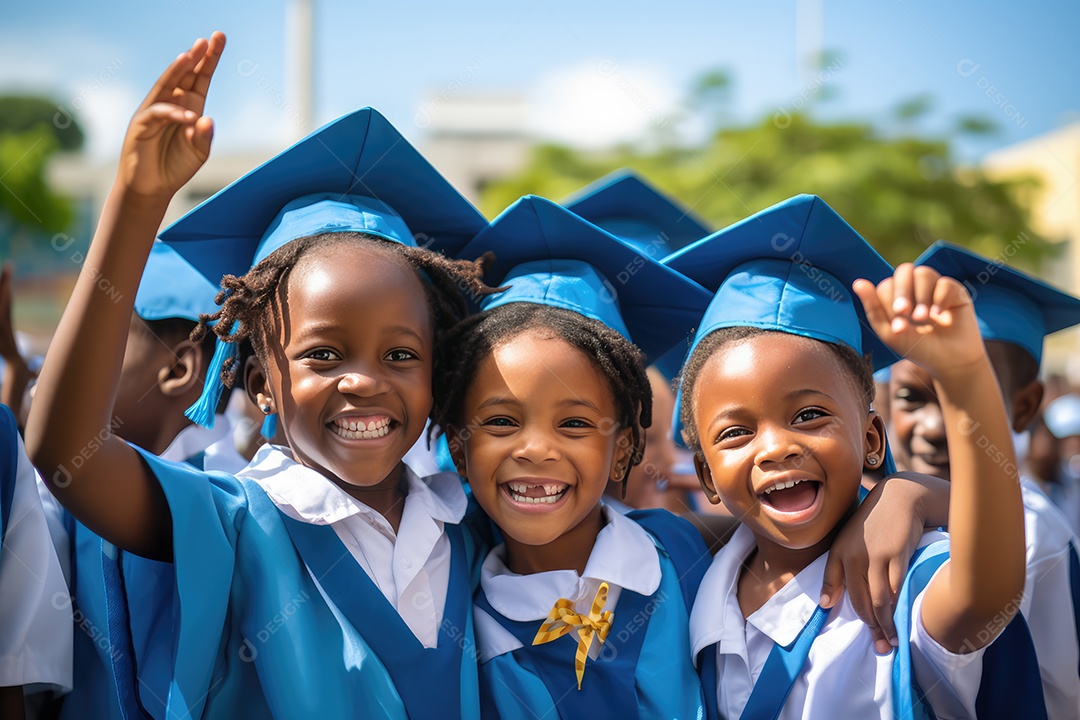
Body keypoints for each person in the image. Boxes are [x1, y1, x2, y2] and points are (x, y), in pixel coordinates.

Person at [25, 33, 500, 719]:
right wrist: (136, 202)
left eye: (400, 356)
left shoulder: (468, 529)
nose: (364, 381)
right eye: (323, 355)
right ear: (259, 385)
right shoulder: (232, 521)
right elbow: (67, 451)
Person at [669, 195, 1037, 718]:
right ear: (705, 474)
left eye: (808, 416)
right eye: (736, 432)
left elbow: (989, 590)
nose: (776, 447)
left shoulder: (906, 585)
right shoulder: (690, 595)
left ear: (870, 439)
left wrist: (964, 377)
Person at [434, 195, 715, 717]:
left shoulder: (684, 553)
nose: (537, 448)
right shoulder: (454, 610)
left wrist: (910, 494)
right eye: (501, 421)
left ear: (623, 447)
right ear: (458, 444)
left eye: (575, 423)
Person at [888, 241, 1080, 718]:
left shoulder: (1030, 533)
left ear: (1024, 406)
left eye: (965, 398)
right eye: (912, 398)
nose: (932, 428)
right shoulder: (875, 507)